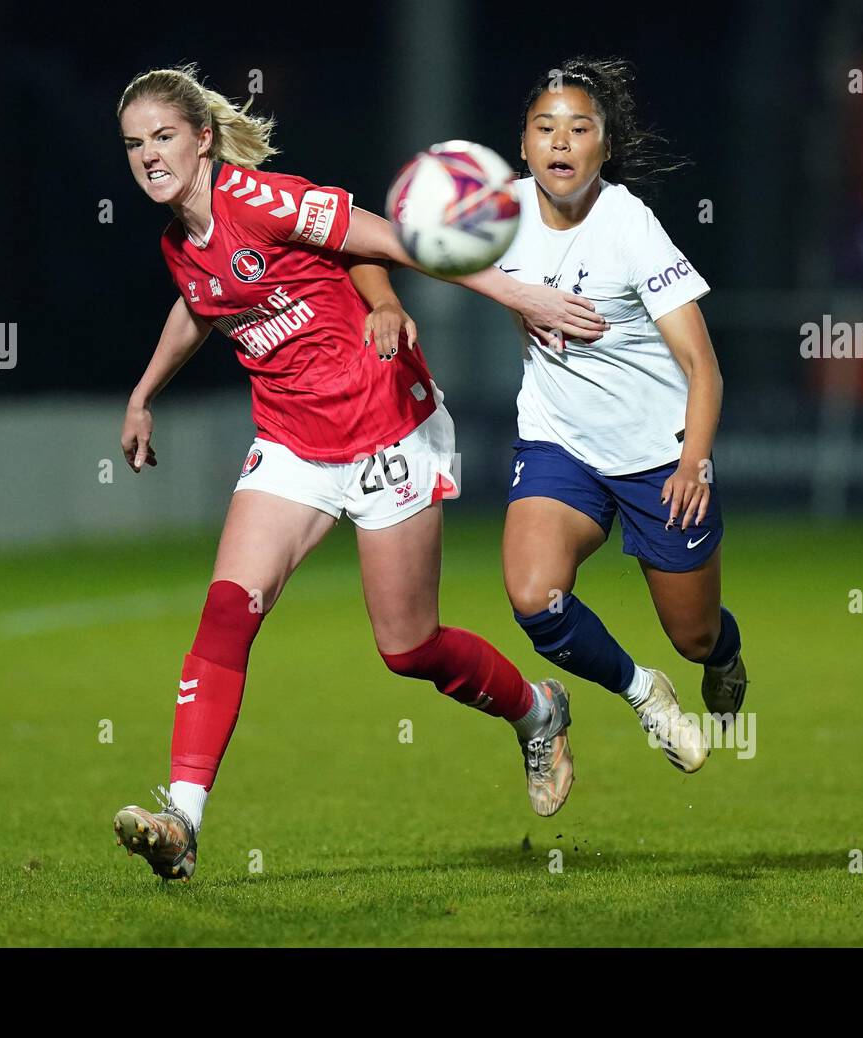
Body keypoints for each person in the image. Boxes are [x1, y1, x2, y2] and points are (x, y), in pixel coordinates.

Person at [111, 65, 608, 881]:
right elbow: (200, 304)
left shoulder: (261, 201)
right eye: (135, 144)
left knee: (408, 647)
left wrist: (518, 295)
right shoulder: (179, 241)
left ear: (202, 138)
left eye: (164, 137)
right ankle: (183, 822)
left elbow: (396, 240)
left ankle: (536, 709)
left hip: (387, 429)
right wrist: (142, 394)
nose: (149, 156)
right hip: (292, 443)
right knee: (228, 611)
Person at [494, 57, 748, 774]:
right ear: (523, 143)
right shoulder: (496, 213)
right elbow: (397, 243)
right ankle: (645, 695)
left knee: (692, 635)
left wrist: (695, 459)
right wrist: (392, 303)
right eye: (546, 128)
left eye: (580, 129)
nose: (561, 143)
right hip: (560, 444)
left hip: (659, 455)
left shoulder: (628, 226)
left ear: (604, 147)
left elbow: (703, 367)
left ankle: (722, 655)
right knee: (533, 597)